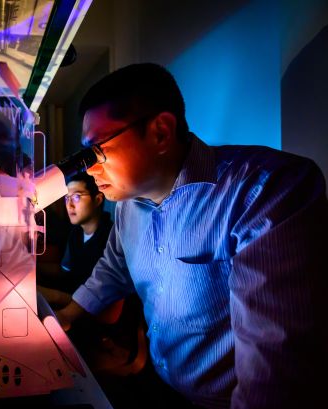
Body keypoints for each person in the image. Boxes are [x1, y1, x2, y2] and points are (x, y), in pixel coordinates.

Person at [55, 63, 328, 409]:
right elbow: (115, 267)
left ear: (161, 132)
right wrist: (67, 316)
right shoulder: (128, 205)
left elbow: (275, 369)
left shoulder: (264, 192)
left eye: (97, 151)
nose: (91, 170)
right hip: (160, 381)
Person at [37, 172, 113, 307]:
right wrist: (34, 267)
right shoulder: (76, 233)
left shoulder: (111, 238)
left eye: (77, 197)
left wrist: (53, 295)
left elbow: (103, 301)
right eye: (67, 198)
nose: (69, 205)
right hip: (73, 302)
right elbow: (65, 270)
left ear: (98, 200)